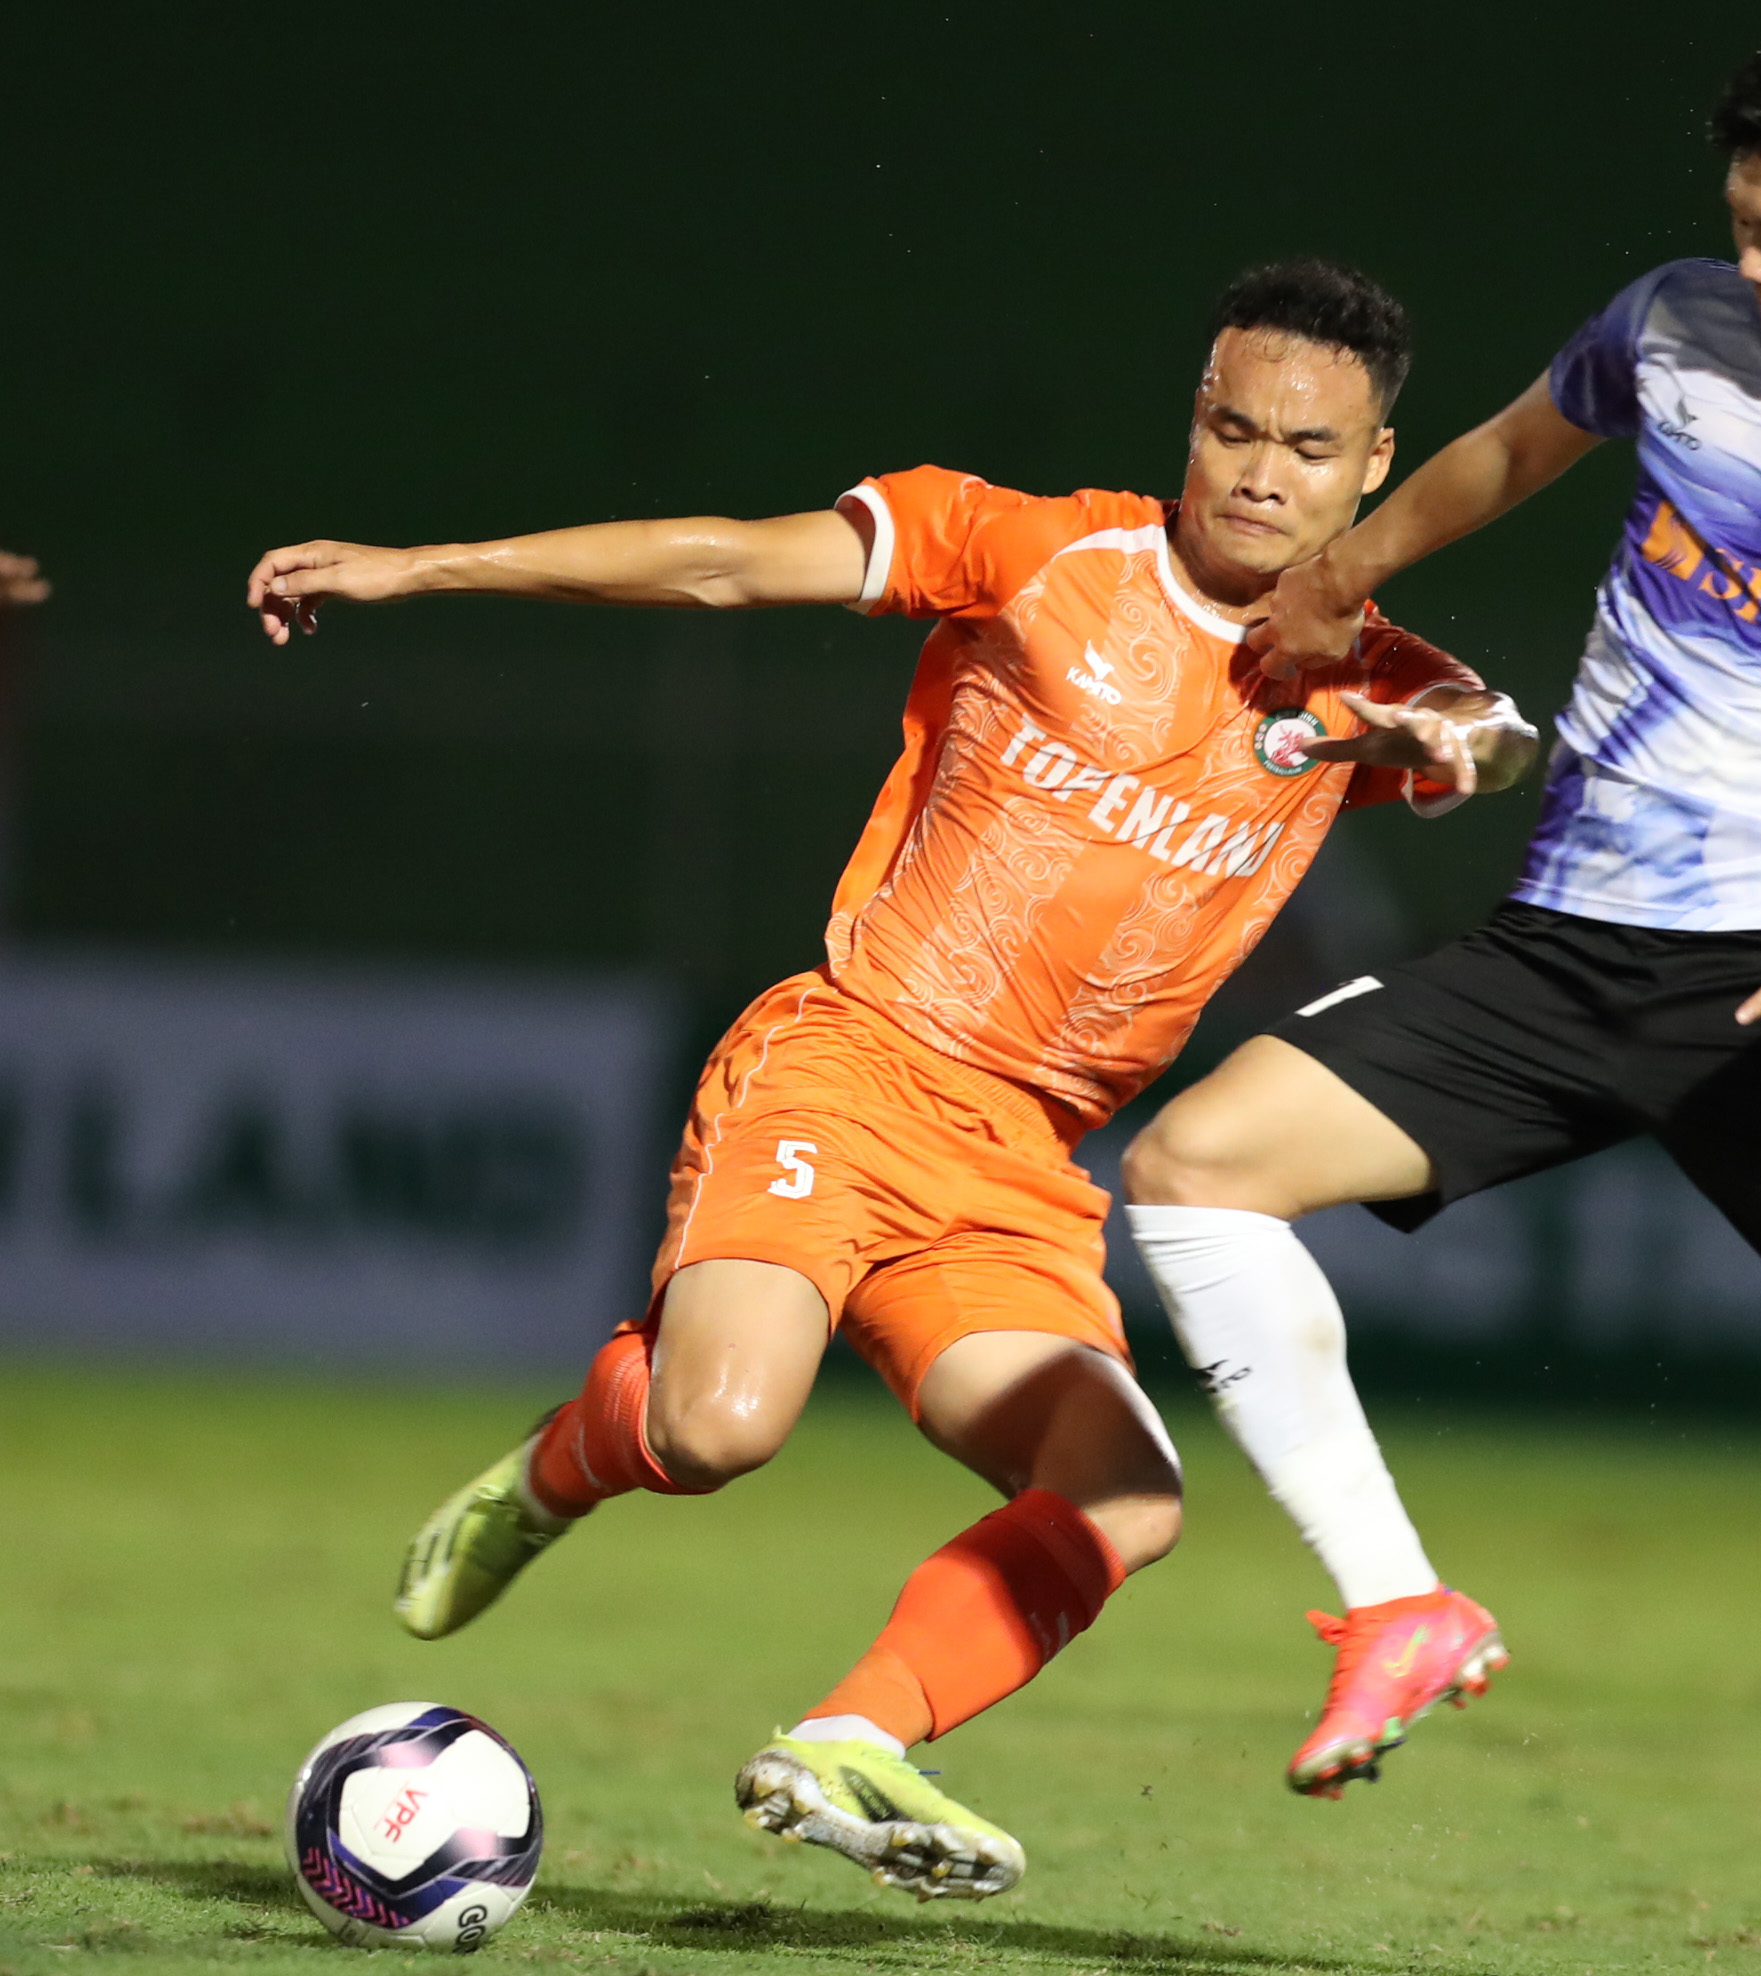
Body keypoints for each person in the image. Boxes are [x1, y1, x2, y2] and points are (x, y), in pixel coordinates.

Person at [241, 261, 1535, 1899]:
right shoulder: (1030, 548)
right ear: (1190, 425)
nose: (1261, 472)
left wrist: (1435, 742)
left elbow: (1500, 739)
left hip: (1023, 1163)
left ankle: (848, 1742)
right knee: (719, 1430)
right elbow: (723, 565)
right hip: (852, 1068)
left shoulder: (1365, 672)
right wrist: (421, 567)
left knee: (1127, 1496)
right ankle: (566, 1464)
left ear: (1373, 466)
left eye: (1308, 445)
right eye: (1231, 428)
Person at [1123, 26, 1761, 1810]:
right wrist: (1338, 576)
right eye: (1743, 228)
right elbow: (1507, 455)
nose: (1755, 269)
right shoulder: (1676, 322)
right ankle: (1398, 1604)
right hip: (1564, 949)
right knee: (1191, 1172)